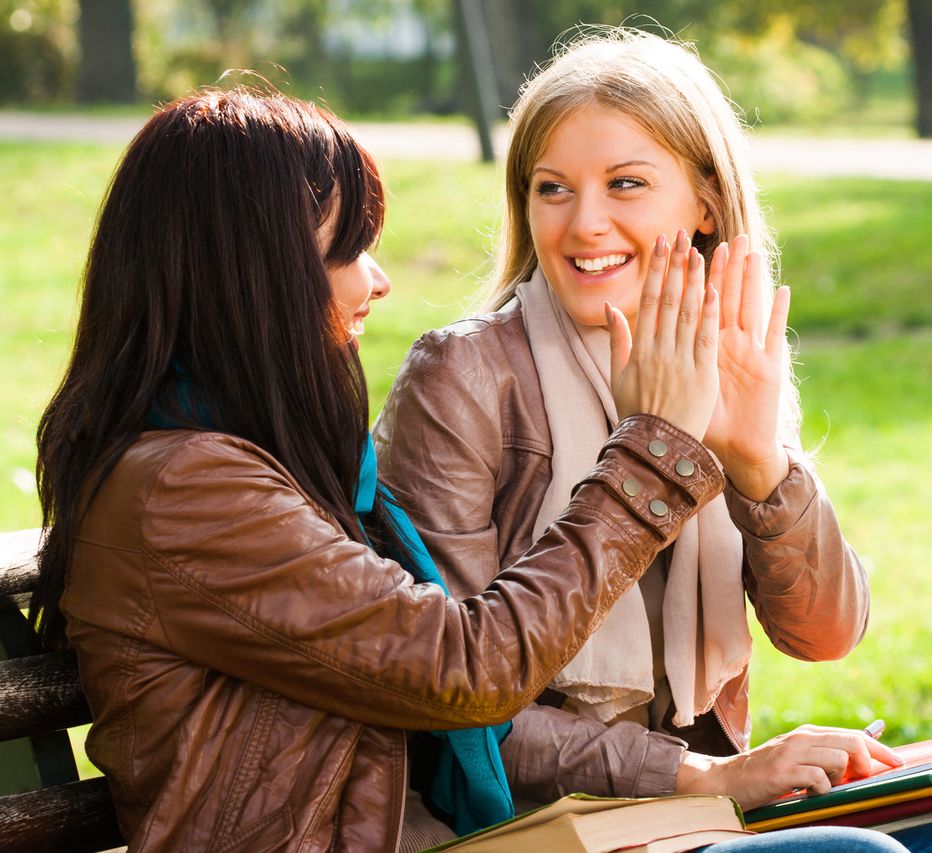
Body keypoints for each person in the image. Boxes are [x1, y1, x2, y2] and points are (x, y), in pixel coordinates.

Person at [375, 29, 932, 853]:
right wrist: (709, 776)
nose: (586, 223)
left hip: (689, 806)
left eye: (626, 183)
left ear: (706, 203)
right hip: (519, 820)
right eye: (553, 189)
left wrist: (760, 462)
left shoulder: (723, 349)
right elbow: (452, 703)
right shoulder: (464, 377)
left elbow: (825, 632)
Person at [30, 86, 732, 852]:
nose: (378, 279)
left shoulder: (255, 461)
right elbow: (467, 667)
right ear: (259, 275)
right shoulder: (187, 492)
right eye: (349, 250)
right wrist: (650, 455)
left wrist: (690, 775)